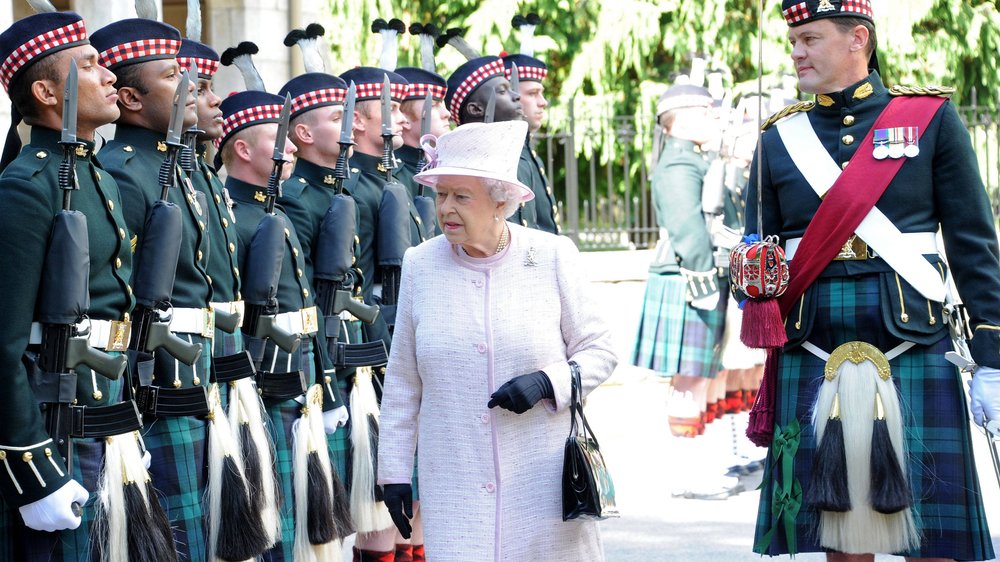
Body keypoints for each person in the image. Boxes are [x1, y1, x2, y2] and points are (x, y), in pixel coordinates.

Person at [747, 1, 1000, 560]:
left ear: (857, 38)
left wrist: (992, 355)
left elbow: (973, 243)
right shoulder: (778, 138)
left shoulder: (929, 120)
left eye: (810, 39)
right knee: (838, 533)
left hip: (913, 334)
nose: (796, 53)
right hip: (811, 340)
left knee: (933, 538)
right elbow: (757, 247)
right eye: (793, 41)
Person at [377, 119, 618, 560]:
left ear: (500, 202)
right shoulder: (420, 264)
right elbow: (403, 382)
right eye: (441, 194)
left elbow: (600, 351)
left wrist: (548, 382)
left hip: (542, 479)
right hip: (455, 477)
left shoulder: (551, 256)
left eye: (461, 196)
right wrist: (393, 472)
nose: (446, 207)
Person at [0, 11, 169, 561]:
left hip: (103, 416)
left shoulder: (94, 176)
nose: (109, 78)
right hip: (55, 429)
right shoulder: (27, 186)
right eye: (92, 66)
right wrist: (33, 470)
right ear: (48, 90)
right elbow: (3, 344)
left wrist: (126, 426)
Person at [90, 18, 216, 561]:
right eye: (173, 75)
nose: (190, 85)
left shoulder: (175, 166)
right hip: (153, 377)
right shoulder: (122, 170)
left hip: (198, 363)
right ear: (131, 98)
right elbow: (124, 291)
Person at [217, 88, 348, 561]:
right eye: (279, 138)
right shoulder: (232, 216)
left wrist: (325, 385)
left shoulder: (273, 210)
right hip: (265, 376)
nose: (291, 146)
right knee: (272, 513)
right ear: (245, 149)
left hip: (301, 370)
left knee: (303, 513)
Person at [503, 14, 559, 234]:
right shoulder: (510, 155)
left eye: (541, 93)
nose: (543, 102)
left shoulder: (527, 151)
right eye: (533, 94)